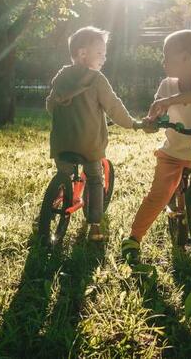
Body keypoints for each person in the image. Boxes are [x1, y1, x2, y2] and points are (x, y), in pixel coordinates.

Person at [121, 29, 191, 264]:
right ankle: (134, 238)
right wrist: (150, 122)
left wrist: (170, 101)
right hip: (173, 152)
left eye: (167, 55)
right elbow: (155, 112)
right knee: (159, 194)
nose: (163, 60)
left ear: (186, 58)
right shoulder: (166, 85)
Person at [46, 26, 139, 241]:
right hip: (89, 146)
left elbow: (51, 105)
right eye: (100, 53)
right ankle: (95, 226)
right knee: (96, 178)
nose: (104, 58)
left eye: (105, 54)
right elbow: (114, 107)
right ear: (82, 53)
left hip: (61, 143)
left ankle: (55, 196)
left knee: (64, 172)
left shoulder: (60, 77)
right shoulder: (97, 79)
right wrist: (131, 124)